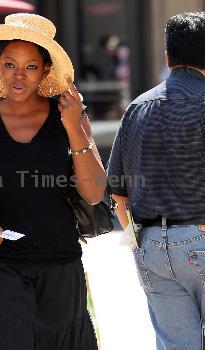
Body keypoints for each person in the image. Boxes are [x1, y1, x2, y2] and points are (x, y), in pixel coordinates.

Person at [0, 13, 106, 350]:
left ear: (46, 71)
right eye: (10, 64)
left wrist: (74, 126)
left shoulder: (68, 116)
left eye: (31, 67)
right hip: (0, 266)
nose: (19, 75)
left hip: (60, 263)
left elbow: (94, 193)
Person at [107, 11, 205, 350]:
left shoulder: (137, 107)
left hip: (150, 242)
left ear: (167, 56)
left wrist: (137, 241)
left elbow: (117, 193)